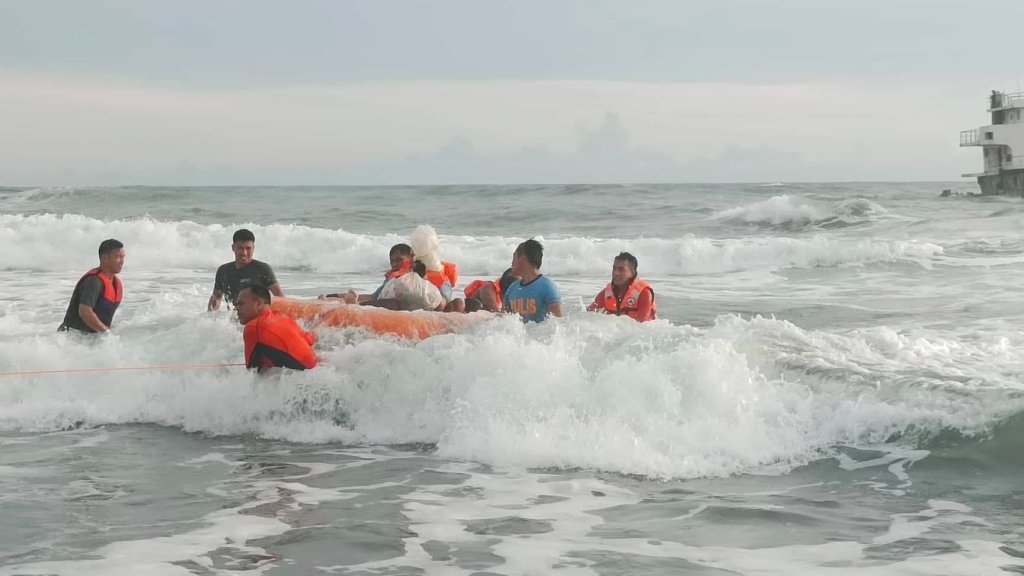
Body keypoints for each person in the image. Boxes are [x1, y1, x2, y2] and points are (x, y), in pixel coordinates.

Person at [236, 285, 318, 372]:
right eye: (236, 304)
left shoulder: (252, 327)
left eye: (241, 304)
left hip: (298, 376)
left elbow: (252, 371)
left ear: (259, 304)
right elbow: (309, 339)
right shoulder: (283, 317)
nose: (236, 308)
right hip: (316, 368)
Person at [58, 239, 126, 334]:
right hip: (71, 336)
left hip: (91, 337)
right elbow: (84, 311)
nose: (122, 261)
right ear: (104, 258)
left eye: (123, 257)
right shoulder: (93, 281)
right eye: (118, 257)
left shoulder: (115, 283)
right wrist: (106, 332)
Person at [208, 229, 283, 310]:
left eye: (248, 248)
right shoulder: (223, 271)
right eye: (240, 248)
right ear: (233, 248)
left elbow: (280, 298)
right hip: (233, 317)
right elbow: (216, 299)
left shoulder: (263, 270)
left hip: (258, 316)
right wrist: (209, 315)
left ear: (253, 248)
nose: (244, 253)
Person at [322, 243, 413, 304]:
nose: (395, 264)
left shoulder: (413, 279)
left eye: (399, 260)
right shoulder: (391, 279)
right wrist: (336, 296)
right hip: (379, 304)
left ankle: (355, 305)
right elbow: (374, 297)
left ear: (411, 259)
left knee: (391, 303)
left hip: (395, 308)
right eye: (392, 261)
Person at [502, 239, 562, 322]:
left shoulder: (547, 287)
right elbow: (503, 322)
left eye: (514, 257)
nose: (511, 263)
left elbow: (558, 323)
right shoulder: (512, 288)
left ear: (522, 258)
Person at [587, 252, 657, 322]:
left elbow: (643, 324)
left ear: (632, 273)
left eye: (621, 269)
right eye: (614, 268)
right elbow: (587, 314)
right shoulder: (606, 293)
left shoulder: (644, 293)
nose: (616, 273)